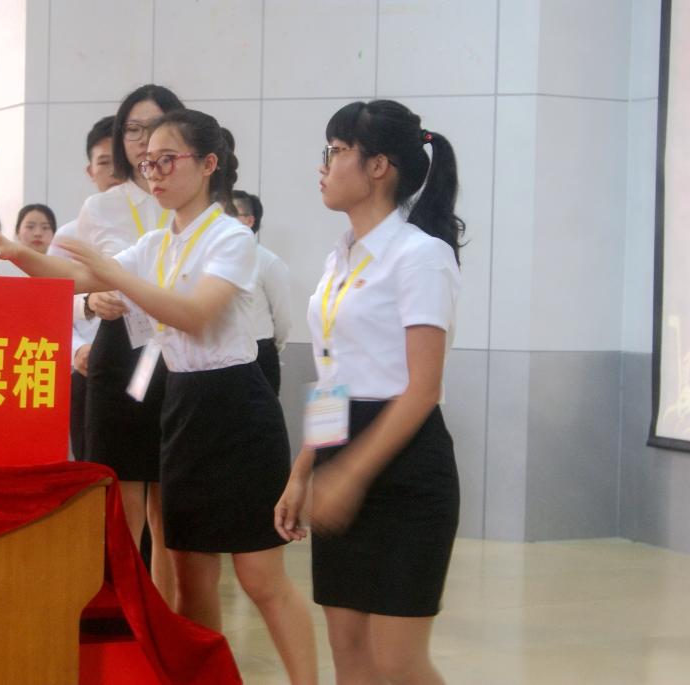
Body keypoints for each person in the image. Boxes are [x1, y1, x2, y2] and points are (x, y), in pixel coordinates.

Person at [0, 108, 318, 685]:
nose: (153, 173)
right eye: (147, 163)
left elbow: (194, 314)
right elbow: (73, 277)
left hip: (238, 411)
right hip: (181, 405)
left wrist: (113, 272)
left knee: (260, 578)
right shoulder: (158, 243)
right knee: (189, 577)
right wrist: (16, 252)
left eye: (166, 161)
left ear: (207, 165)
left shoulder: (231, 238)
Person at [274, 99, 463, 685]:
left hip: (406, 467)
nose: (323, 166)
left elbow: (422, 390)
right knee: (350, 653)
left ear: (378, 166)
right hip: (339, 447)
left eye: (335, 152)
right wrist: (304, 470)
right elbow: (335, 379)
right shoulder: (340, 259)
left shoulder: (421, 256)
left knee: (397, 662)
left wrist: (351, 476)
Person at [69, 84, 185, 606]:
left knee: (168, 508)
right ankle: (124, 619)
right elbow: (69, 286)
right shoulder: (100, 207)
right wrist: (91, 303)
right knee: (122, 502)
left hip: (178, 356)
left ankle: (164, 621)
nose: (141, 140)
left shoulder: (191, 203)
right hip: (120, 358)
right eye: (132, 129)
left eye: (153, 127)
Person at [48, 115, 121, 460]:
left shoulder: (158, 229)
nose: (114, 172)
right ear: (90, 171)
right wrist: (77, 350)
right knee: (94, 467)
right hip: (87, 368)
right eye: (104, 163)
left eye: (120, 161)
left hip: (151, 366)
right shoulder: (68, 237)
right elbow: (51, 307)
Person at [231, 190, 291, 395]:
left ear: (249, 220)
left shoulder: (268, 261)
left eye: (231, 215)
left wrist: (274, 346)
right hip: (222, 355)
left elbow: (283, 317)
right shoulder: (211, 261)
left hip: (259, 351)